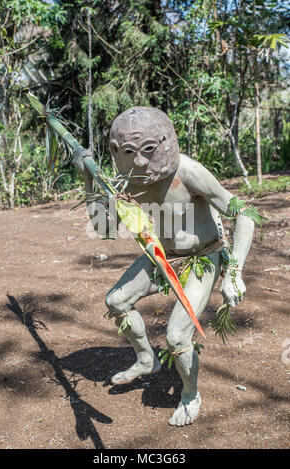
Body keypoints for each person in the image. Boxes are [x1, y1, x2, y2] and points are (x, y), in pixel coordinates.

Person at [73, 107, 254, 427]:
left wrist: (235, 271)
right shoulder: (126, 180)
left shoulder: (190, 172)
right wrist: (89, 177)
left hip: (202, 256)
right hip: (161, 256)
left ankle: (190, 394)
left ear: (166, 142)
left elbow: (244, 215)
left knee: (176, 335)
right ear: (117, 152)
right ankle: (147, 359)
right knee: (116, 301)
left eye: (148, 151)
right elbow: (103, 229)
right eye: (129, 153)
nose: (140, 162)